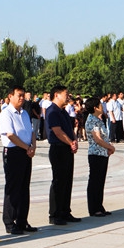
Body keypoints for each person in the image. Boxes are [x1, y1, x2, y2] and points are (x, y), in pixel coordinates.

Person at [0, 86, 37, 235]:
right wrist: (27, 147)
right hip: (14, 152)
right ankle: (9, 222)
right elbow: (10, 135)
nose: (22, 98)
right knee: (13, 187)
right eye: (19, 95)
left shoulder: (25, 113)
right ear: (10, 96)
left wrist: (33, 146)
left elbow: (32, 131)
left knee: (24, 187)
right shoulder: (6, 113)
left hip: (26, 152)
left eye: (23, 96)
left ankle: (22, 220)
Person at [47, 85, 80, 225]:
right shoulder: (52, 111)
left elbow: (70, 129)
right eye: (66, 94)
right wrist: (70, 142)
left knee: (67, 181)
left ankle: (65, 211)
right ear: (56, 95)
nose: (68, 96)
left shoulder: (63, 111)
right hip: (58, 149)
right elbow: (57, 131)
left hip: (67, 148)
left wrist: (74, 140)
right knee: (59, 181)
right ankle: (55, 214)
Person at [84, 97, 115, 217]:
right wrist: (110, 147)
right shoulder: (92, 120)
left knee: (100, 181)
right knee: (95, 181)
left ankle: (99, 206)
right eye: (100, 105)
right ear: (95, 107)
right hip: (96, 154)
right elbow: (97, 139)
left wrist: (107, 148)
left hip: (102, 153)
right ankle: (94, 208)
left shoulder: (98, 119)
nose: (102, 107)